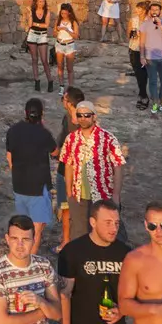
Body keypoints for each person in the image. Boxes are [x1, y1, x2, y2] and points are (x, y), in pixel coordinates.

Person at [58, 100, 128, 244]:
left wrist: (115, 195)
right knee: (79, 235)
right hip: (79, 196)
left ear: (94, 117)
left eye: (87, 115)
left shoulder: (108, 138)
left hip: (103, 195)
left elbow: (118, 166)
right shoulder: (71, 139)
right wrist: (69, 193)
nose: (83, 118)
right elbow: (68, 165)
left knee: (109, 232)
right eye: (80, 115)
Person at [6, 97, 59, 235]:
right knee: (37, 227)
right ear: (42, 114)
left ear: (25, 112)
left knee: (23, 225)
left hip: (19, 185)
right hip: (38, 187)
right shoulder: (43, 133)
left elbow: (9, 157)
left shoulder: (12, 130)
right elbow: (55, 151)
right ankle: (31, 255)